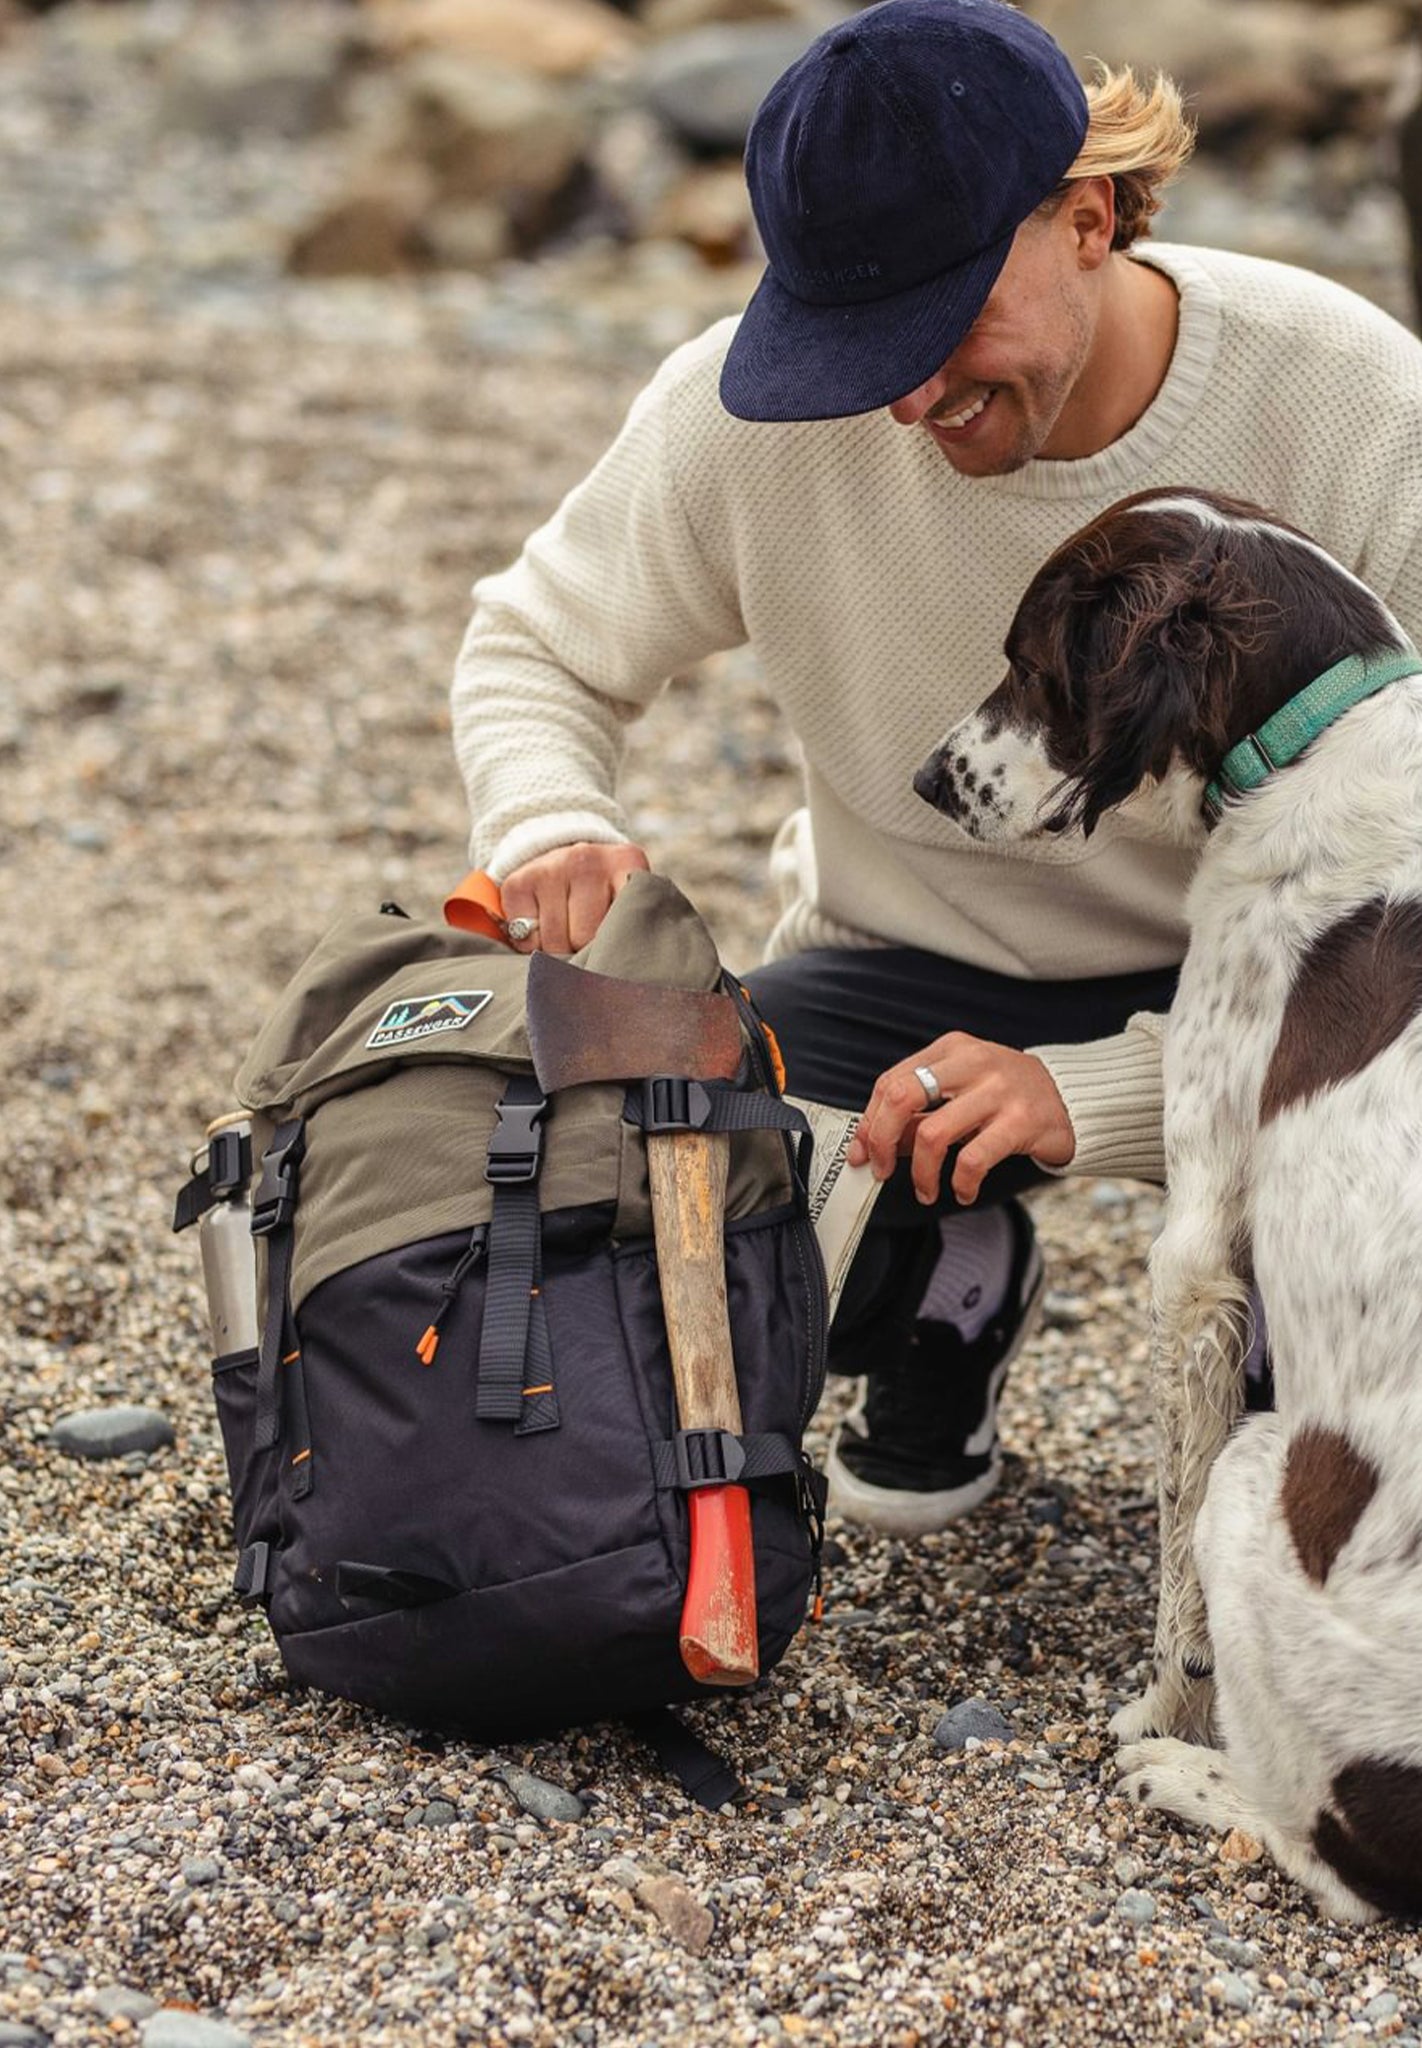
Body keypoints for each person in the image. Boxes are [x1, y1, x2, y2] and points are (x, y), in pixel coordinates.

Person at [450, 0, 1422, 1535]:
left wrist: (1095, 1092)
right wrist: (551, 822)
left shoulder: (1350, 401)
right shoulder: (739, 419)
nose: (903, 399)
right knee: (657, 1182)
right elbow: (534, 645)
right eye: (856, 340)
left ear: (1086, 218)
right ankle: (939, 1290)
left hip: (1305, 989)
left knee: (1323, 1454)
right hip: (906, 965)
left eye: (940, 322)